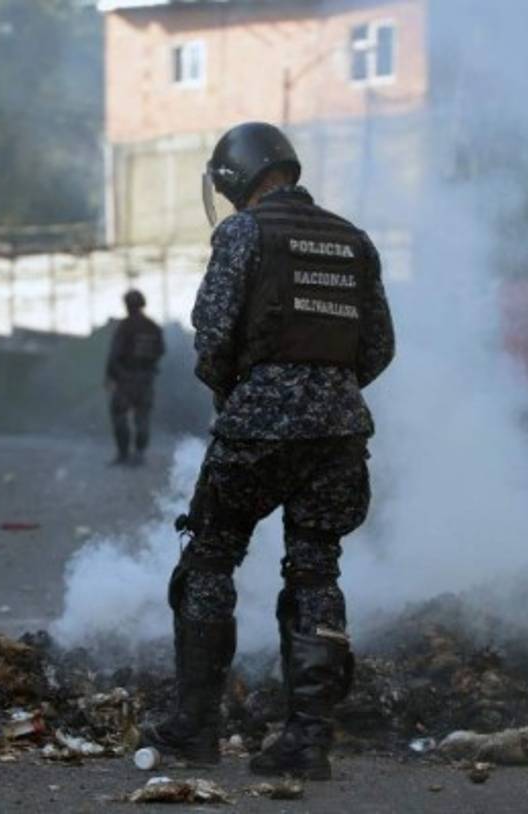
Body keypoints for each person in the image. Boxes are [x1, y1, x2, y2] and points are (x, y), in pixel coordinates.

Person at [139, 122, 395, 780]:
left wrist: (246, 393)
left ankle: (194, 729)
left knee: (208, 564)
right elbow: (378, 350)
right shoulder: (354, 240)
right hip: (339, 436)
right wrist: (326, 392)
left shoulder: (242, 233)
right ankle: (308, 742)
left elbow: (213, 334)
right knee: (315, 574)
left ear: (233, 179)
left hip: (256, 431)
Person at [105, 289, 165, 465]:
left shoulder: (125, 327)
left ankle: (124, 455)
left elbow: (114, 355)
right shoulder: (153, 327)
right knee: (142, 417)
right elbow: (160, 351)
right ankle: (139, 454)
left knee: (119, 415)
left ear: (127, 305)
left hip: (125, 380)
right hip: (146, 380)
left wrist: (111, 376)